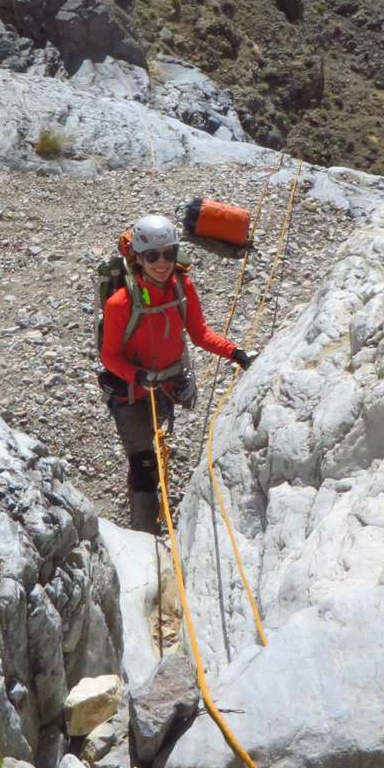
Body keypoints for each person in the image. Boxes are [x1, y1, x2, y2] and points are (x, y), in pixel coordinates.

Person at [100, 213, 253, 532]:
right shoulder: (119, 303)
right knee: (144, 464)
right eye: (152, 256)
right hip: (130, 394)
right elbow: (109, 357)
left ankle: (142, 504)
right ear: (138, 258)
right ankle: (144, 536)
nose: (162, 263)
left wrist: (235, 353)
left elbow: (199, 334)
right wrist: (137, 375)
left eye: (169, 254)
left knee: (148, 455)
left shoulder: (182, 287)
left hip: (164, 388)